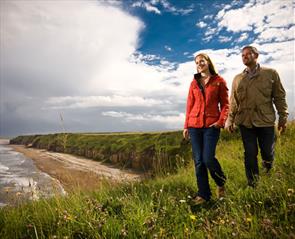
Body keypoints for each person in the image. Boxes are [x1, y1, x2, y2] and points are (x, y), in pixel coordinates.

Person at [225, 45, 288, 187]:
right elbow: (233, 101)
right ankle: (253, 183)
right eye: (242, 55)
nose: (244, 56)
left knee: (267, 152)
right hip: (245, 122)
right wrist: (230, 120)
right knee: (250, 153)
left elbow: (279, 97)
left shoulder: (271, 73)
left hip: (265, 121)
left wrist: (283, 117)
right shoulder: (237, 79)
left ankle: (268, 167)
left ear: (256, 55)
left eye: (248, 54)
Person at [183, 53, 229, 204]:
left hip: (211, 125)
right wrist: (186, 126)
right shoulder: (193, 83)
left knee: (208, 159)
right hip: (194, 126)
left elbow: (226, 105)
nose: (199, 64)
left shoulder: (219, 81)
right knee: (199, 162)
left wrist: (220, 122)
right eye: (196, 62)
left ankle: (221, 182)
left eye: (201, 61)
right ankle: (204, 195)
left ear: (208, 62)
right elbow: (189, 105)